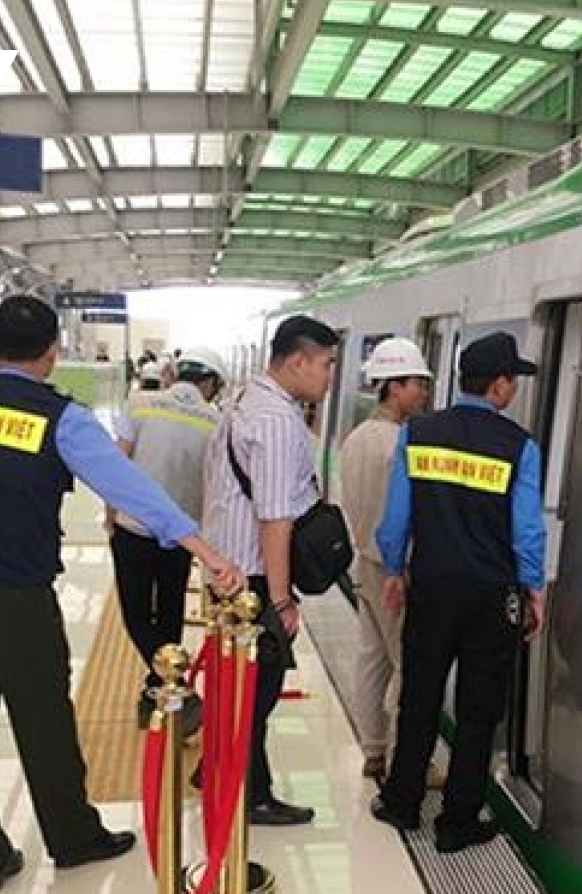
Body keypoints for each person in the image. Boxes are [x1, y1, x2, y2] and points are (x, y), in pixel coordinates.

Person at [0, 296, 245, 894]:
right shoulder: (62, 419)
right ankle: (73, 836)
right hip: (16, 596)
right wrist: (204, 550)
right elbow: (127, 487)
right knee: (44, 719)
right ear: (53, 352)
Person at [370, 332, 548, 854]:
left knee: (420, 697)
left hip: (431, 589)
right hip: (491, 597)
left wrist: (395, 569)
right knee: (478, 709)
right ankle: (457, 822)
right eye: (512, 380)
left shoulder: (419, 432)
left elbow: (395, 517)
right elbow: (527, 531)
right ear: (499, 385)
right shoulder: (519, 446)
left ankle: (402, 802)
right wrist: (534, 589)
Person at [201, 315, 338, 827]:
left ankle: (217, 770)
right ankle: (251, 795)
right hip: (254, 583)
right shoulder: (278, 421)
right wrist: (281, 601)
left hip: (227, 571)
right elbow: (275, 518)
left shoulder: (242, 400)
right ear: (298, 361)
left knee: (236, 685)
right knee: (256, 693)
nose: (330, 376)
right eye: (326, 364)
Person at [108, 348, 226, 729]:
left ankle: (171, 687)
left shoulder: (139, 403)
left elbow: (116, 464)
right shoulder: (216, 420)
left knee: (136, 613)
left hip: (133, 527)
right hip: (182, 536)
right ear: (211, 383)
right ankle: (164, 687)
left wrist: (110, 517)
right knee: (171, 609)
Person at [337, 339, 436, 782]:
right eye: (418, 384)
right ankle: (403, 759)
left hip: (364, 561)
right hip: (396, 568)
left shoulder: (356, 438)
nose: (424, 394)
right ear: (394, 386)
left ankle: (374, 750)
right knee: (405, 665)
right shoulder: (401, 443)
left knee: (371, 658)